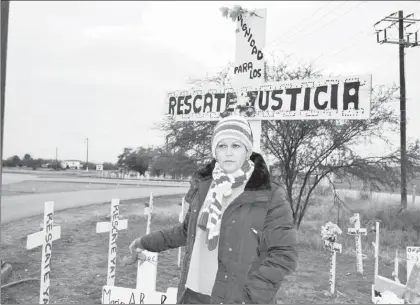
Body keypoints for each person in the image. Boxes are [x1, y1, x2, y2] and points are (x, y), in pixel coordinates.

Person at [128, 115, 298, 304]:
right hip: (193, 294)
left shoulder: (269, 193)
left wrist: (253, 297)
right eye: (222, 146)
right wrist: (144, 242)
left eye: (236, 146)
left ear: (247, 150)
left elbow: (283, 254)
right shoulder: (205, 187)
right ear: (214, 151)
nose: (229, 153)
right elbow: (187, 231)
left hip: (235, 299)